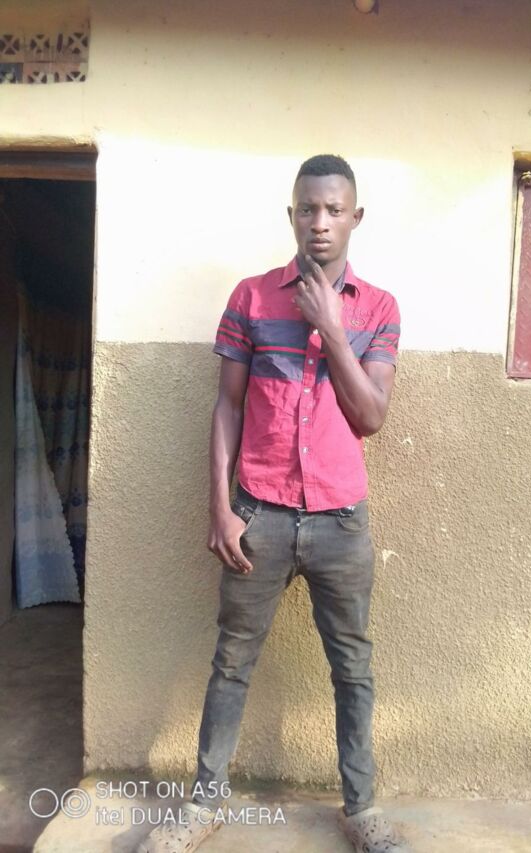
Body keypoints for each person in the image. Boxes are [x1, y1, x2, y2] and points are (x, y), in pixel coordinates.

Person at [139, 154, 410, 853]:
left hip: (340, 520)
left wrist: (331, 326)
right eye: (308, 208)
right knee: (232, 662)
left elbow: (371, 415)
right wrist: (220, 507)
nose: (320, 222)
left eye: (334, 209)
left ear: (355, 217)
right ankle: (204, 804)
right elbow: (227, 407)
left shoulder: (379, 308)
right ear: (291, 215)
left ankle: (361, 810)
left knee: (352, 667)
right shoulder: (252, 298)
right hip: (259, 513)